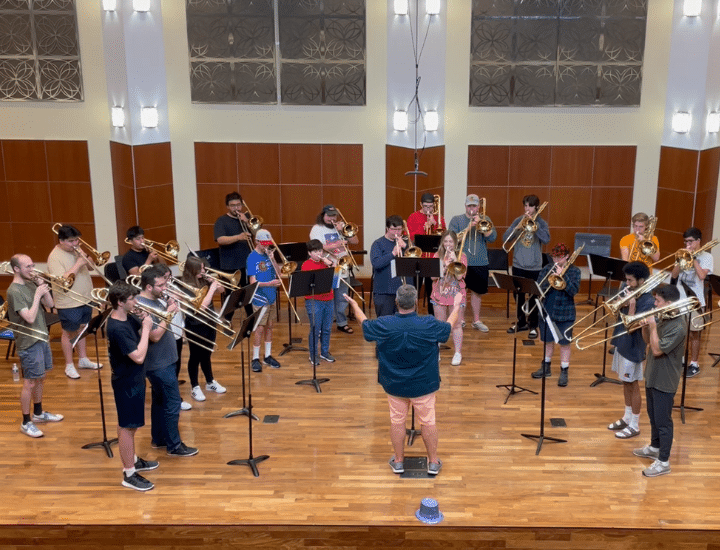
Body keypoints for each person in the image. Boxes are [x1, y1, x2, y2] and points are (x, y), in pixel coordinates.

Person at [345, 285, 462, 476]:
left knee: (397, 421)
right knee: (428, 421)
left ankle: (398, 461)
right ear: (416, 303)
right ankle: (433, 462)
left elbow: (364, 323)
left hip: (394, 384)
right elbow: (448, 326)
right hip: (424, 384)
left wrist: (355, 305)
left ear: (396, 302)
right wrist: (456, 306)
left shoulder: (385, 323)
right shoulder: (429, 323)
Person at [137, 267, 198, 457]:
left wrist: (167, 306)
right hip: (158, 363)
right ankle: (174, 446)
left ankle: (160, 438)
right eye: (161, 285)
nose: (165, 288)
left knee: (159, 402)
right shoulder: (140, 307)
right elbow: (154, 335)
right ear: (148, 286)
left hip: (166, 359)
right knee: (172, 404)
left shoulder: (156, 300)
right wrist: (169, 312)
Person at [106, 281, 157, 491]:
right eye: (132, 300)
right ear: (120, 302)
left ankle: (133, 459)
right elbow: (137, 356)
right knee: (127, 427)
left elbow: (150, 332)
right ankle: (129, 473)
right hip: (126, 381)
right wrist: (145, 329)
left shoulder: (127, 316)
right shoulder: (116, 328)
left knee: (131, 425)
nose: (136, 302)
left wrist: (145, 320)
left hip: (134, 378)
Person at [633, 284, 688, 477]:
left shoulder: (679, 326)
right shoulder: (664, 316)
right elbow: (649, 341)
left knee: (663, 421)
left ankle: (663, 461)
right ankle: (655, 447)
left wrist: (653, 325)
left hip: (665, 380)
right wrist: (646, 328)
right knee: (653, 416)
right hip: (653, 374)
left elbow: (657, 350)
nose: (654, 304)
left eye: (657, 301)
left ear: (669, 303)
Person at [8, 254, 63, 438]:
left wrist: (43, 289)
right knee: (30, 382)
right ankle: (25, 422)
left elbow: (50, 304)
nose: (32, 270)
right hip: (28, 341)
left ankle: (38, 413)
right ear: (16, 269)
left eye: (33, 265)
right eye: (28, 267)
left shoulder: (31, 283)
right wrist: (37, 295)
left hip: (41, 337)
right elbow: (29, 317)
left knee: (41, 378)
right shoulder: (14, 291)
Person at [47, 224, 101, 380]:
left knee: (83, 329)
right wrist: (78, 263)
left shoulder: (76, 250)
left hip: (84, 297)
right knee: (69, 332)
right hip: (69, 302)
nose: (76, 244)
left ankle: (83, 359)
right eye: (71, 241)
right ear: (61, 240)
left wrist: (87, 260)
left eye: (77, 240)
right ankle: (69, 365)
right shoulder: (54, 257)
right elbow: (63, 280)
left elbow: (90, 268)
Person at [607, 262, 654, 439]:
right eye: (626, 279)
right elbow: (614, 313)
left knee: (633, 384)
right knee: (625, 382)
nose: (627, 283)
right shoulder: (628, 290)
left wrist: (632, 305)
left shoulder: (648, 300)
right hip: (621, 341)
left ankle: (635, 424)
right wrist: (621, 302)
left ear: (641, 280)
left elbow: (634, 327)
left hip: (634, 346)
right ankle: (627, 417)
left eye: (630, 280)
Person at [532, 243, 580, 387]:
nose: (556, 260)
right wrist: (551, 278)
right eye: (554, 257)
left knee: (564, 344)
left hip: (565, 313)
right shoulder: (547, 268)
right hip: (547, 310)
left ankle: (564, 371)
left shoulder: (574, 271)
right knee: (547, 341)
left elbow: (573, 291)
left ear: (566, 256)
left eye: (559, 257)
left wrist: (562, 277)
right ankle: (545, 367)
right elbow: (539, 287)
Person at [502, 195, 550, 338]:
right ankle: (521, 322)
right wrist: (517, 227)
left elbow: (547, 239)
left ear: (536, 207)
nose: (526, 208)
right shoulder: (518, 220)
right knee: (519, 296)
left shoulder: (541, 223)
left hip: (535, 267)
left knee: (535, 297)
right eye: (525, 206)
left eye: (529, 206)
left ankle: (533, 325)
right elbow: (506, 238)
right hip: (518, 265)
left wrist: (536, 228)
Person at [180, 256, 226, 401]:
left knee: (207, 353)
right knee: (195, 356)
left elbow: (222, 290)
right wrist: (212, 289)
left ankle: (210, 382)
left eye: (203, 268)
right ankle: (195, 387)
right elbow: (201, 307)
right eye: (200, 269)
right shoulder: (186, 285)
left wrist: (216, 284)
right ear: (192, 270)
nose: (204, 270)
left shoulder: (203, 279)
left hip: (210, 322)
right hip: (195, 325)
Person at [448, 194, 496, 332]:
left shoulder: (485, 219)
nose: (471, 208)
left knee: (477, 293)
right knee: (460, 291)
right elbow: (451, 239)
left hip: (480, 261)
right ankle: (461, 320)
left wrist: (485, 229)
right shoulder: (457, 220)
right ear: (465, 206)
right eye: (469, 206)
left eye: (474, 206)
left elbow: (493, 238)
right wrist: (468, 229)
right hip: (461, 261)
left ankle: (476, 320)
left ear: (478, 207)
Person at [309, 204, 359, 335]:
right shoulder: (317, 229)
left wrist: (344, 231)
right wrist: (337, 244)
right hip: (327, 267)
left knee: (342, 297)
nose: (331, 218)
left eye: (334, 215)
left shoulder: (341, 227)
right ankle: (325, 324)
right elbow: (318, 247)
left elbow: (355, 241)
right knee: (326, 297)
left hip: (342, 267)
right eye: (329, 216)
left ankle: (342, 323)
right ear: (323, 216)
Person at [670, 227, 713, 378]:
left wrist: (693, 259)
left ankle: (694, 363)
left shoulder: (707, 256)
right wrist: (681, 260)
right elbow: (674, 275)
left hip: (695, 300)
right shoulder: (682, 254)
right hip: (680, 299)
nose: (687, 244)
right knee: (681, 332)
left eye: (690, 241)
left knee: (695, 333)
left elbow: (701, 276)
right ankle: (681, 359)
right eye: (685, 241)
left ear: (698, 241)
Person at [154, 264, 192, 411]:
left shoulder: (171, 288)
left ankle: (173, 395)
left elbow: (186, 301)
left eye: (169, 277)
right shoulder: (155, 296)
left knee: (176, 364)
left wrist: (177, 295)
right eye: (165, 279)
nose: (168, 281)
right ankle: (173, 399)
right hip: (165, 334)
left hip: (176, 331)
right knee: (169, 368)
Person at [246, 228, 282, 373]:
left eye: (268, 243)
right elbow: (253, 282)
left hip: (271, 296)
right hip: (260, 298)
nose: (266, 246)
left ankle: (267, 356)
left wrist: (273, 258)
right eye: (264, 244)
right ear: (257, 242)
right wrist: (269, 284)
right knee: (260, 328)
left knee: (269, 327)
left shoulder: (269, 255)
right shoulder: (252, 258)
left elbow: (279, 274)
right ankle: (255, 358)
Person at [406, 193, 446, 315]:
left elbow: (445, 237)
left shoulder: (439, 218)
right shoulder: (413, 217)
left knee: (432, 291)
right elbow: (410, 238)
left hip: (433, 259)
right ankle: (412, 315)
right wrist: (424, 228)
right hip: (418, 259)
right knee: (415, 289)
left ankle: (432, 316)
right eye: (425, 206)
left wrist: (435, 225)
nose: (428, 209)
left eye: (431, 206)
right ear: (420, 204)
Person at [430, 230, 466, 366]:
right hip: (439, 293)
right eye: (445, 241)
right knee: (440, 324)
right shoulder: (436, 256)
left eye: (451, 241)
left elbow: (459, 276)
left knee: (456, 325)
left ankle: (458, 353)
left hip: (456, 293)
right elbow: (433, 277)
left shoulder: (462, 256)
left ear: (455, 242)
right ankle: (436, 352)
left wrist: (455, 261)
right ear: (442, 242)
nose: (448, 244)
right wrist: (444, 265)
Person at [301, 239, 335, 365]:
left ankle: (325, 352)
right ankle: (313, 354)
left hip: (329, 298)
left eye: (320, 250)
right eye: (315, 251)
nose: (319, 253)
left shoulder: (327, 262)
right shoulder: (306, 265)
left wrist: (330, 264)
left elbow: (336, 274)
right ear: (310, 253)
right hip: (314, 300)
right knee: (315, 328)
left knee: (327, 328)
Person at [214, 191, 254, 289]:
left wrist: (247, 222)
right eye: (232, 206)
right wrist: (238, 237)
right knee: (231, 296)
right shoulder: (221, 221)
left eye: (238, 205)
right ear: (227, 206)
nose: (236, 208)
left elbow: (257, 235)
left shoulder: (247, 218)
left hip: (247, 263)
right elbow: (220, 239)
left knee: (248, 294)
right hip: (230, 265)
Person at [370, 215, 406, 317]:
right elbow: (376, 264)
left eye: (399, 229)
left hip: (402, 291)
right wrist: (392, 254)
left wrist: (406, 247)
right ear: (387, 228)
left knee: (401, 323)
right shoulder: (378, 244)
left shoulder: (405, 243)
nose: (397, 233)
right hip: (384, 291)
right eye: (393, 229)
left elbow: (414, 262)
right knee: (385, 323)